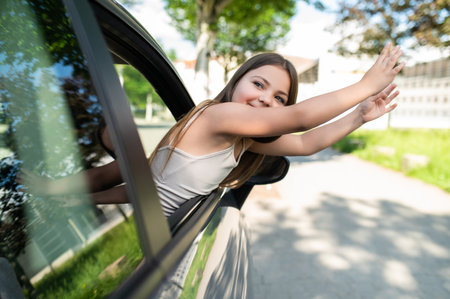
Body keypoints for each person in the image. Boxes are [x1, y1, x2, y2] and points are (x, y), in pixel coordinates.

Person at [21, 43, 404, 216]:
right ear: (236, 83)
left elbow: (303, 142)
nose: (266, 100)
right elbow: (299, 120)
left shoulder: (242, 142)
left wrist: (359, 115)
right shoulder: (217, 118)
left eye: (279, 97)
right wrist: (364, 86)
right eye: (258, 84)